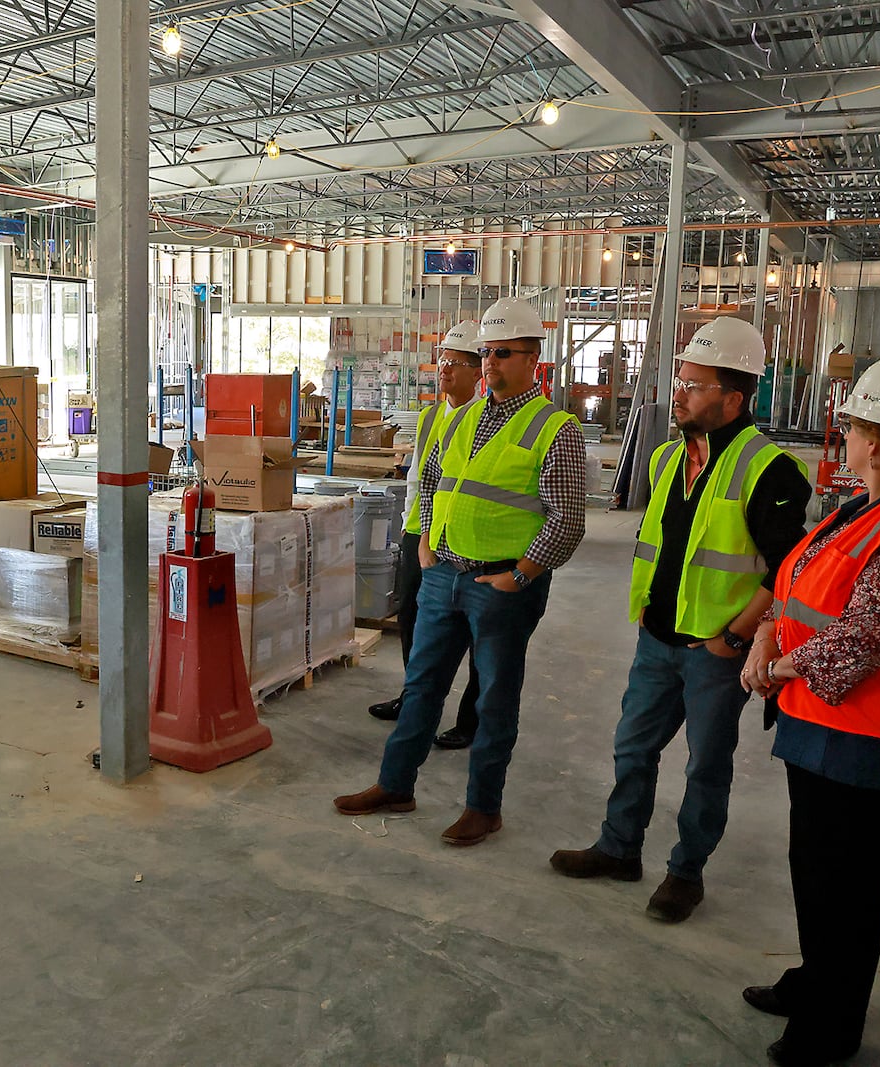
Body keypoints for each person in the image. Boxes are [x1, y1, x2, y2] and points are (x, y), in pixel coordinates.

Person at [738, 354, 880, 1066]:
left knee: (848, 888)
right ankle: (816, 981)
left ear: (874, 439)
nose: (850, 435)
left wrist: (769, 668)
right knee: (817, 871)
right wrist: (769, 632)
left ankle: (830, 1029)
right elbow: (796, 583)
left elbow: (851, 652)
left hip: (878, 746)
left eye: (857, 424)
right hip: (827, 734)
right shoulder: (863, 511)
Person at [550, 317, 811, 922]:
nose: (681, 394)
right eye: (681, 380)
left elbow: (788, 572)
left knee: (704, 766)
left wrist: (733, 637)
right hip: (657, 640)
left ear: (733, 398)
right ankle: (619, 849)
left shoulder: (769, 470)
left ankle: (685, 873)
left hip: (714, 652)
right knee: (631, 749)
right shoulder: (667, 459)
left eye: (695, 385)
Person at [334, 297, 586, 846]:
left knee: (494, 698)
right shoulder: (462, 417)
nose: (490, 362)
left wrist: (520, 575)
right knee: (421, 686)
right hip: (443, 572)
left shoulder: (554, 428)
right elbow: (430, 482)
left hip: (500, 586)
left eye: (502, 353)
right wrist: (426, 541)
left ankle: (483, 807)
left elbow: (567, 519)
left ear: (532, 360)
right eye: (486, 353)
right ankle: (395, 785)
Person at [366, 319, 483, 750]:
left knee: (472, 633)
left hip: (461, 539)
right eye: (443, 361)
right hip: (420, 531)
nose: (445, 369)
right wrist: (409, 528)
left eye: (456, 362)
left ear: (479, 371)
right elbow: (419, 474)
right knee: (412, 618)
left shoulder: (485, 417)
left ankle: (471, 720)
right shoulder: (433, 414)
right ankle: (411, 698)